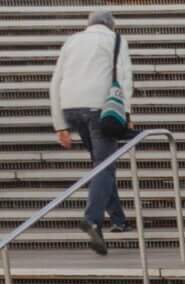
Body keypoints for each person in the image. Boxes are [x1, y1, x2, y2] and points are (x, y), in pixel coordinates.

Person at [49, 9, 133, 251]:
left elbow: (55, 82)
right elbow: (125, 77)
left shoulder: (72, 41)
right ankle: (93, 220)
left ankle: (118, 219)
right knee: (105, 166)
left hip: (70, 108)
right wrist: (127, 113)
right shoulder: (115, 40)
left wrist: (60, 125)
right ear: (111, 25)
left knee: (101, 164)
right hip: (100, 108)